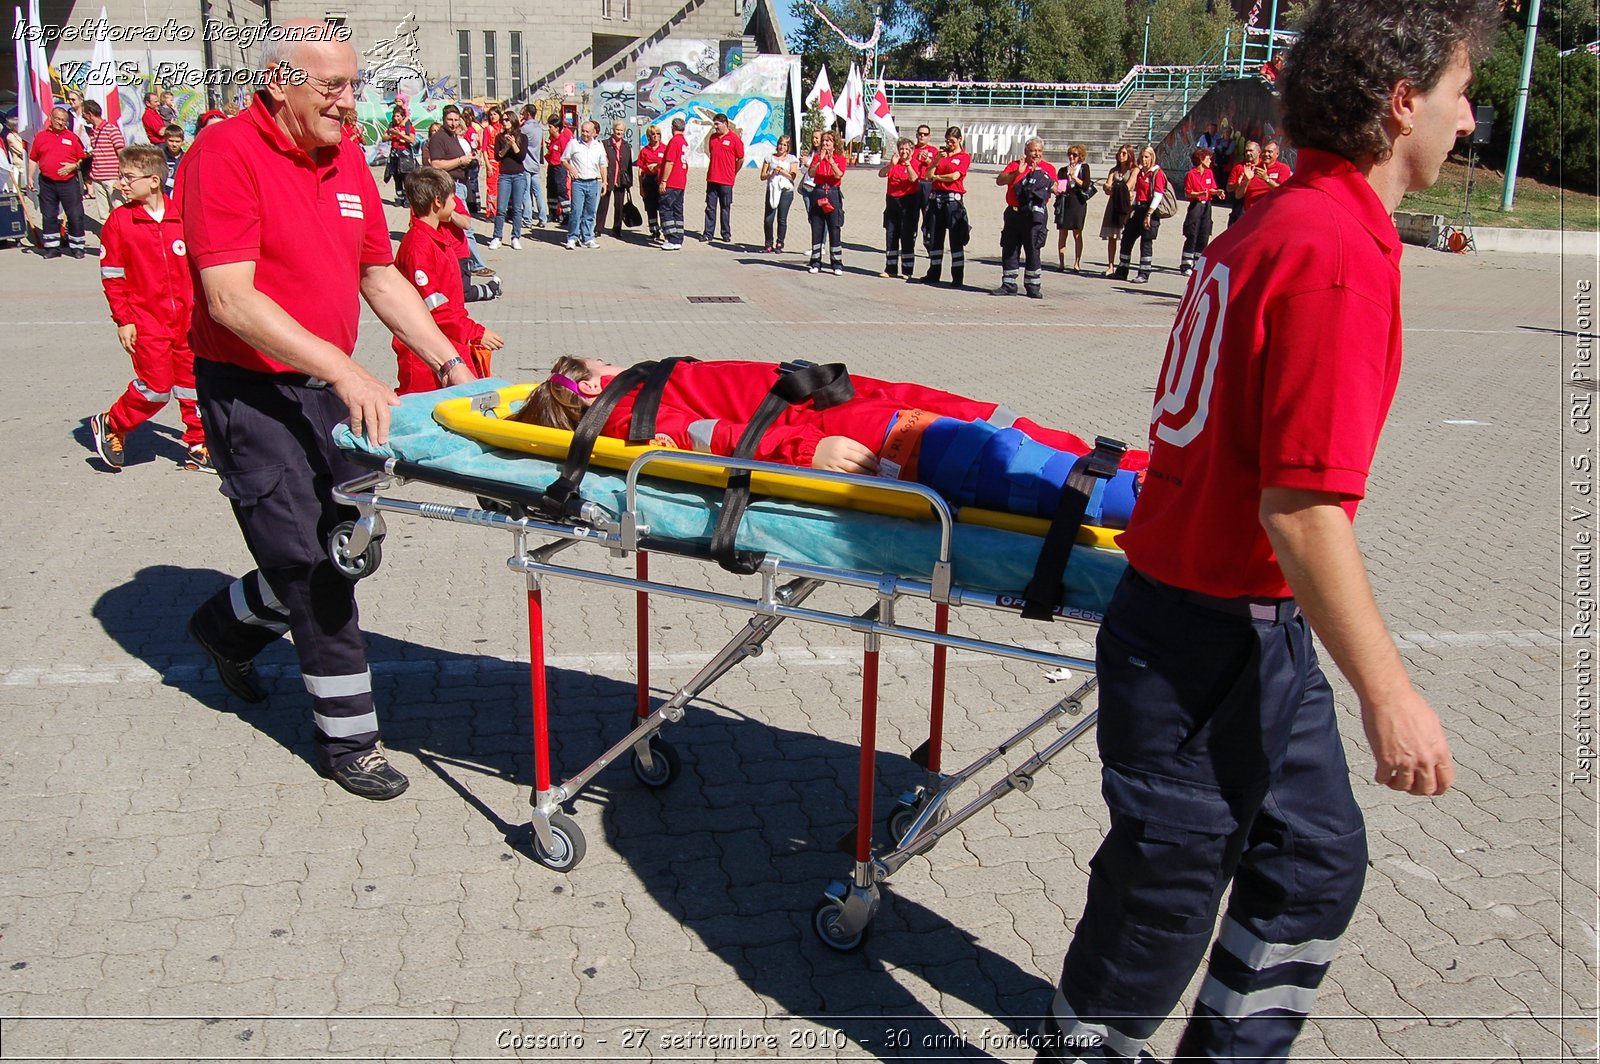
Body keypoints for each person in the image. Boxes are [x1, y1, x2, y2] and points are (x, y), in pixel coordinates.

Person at [1032, 1, 1491, 1059]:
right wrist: (1390, 693)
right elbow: (1301, 507)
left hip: (1244, 628)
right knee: (1160, 900)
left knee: (1312, 862)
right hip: (1198, 637)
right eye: (1460, 94)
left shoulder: (1288, 218)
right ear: (1400, 101)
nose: (1468, 120)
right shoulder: (1330, 248)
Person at [180, 20, 478, 801]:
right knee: (317, 571)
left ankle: (222, 627)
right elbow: (229, 298)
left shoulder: (346, 155)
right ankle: (350, 743)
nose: (352, 104)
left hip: (327, 387)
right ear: (278, 81)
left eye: (355, 84)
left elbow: (379, 275)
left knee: (338, 550)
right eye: (332, 87)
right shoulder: (223, 155)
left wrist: (448, 359)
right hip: (252, 393)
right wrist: (346, 369)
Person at [510, 357, 1147, 528]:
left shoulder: (644, 385)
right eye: (598, 363)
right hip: (844, 432)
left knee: (1008, 434)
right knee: (1017, 466)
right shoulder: (622, 409)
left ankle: (1152, 473)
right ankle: (1160, 497)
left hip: (845, 403)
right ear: (587, 388)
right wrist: (802, 456)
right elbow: (709, 439)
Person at [88, 144, 208, 473]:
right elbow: (112, 276)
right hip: (146, 321)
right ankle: (113, 423)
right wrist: (124, 320)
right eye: (121, 177)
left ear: (154, 181)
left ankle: (198, 443)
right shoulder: (119, 222)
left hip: (186, 320)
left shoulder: (181, 216)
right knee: (156, 388)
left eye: (128, 177)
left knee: (191, 383)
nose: (121, 183)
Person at [393, 166, 504, 394]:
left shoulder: (437, 238)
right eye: (452, 197)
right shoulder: (419, 247)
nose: (456, 203)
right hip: (425, 353)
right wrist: (475, 332)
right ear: (437, 202)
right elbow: (433, 307)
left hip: (448, 341)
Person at [424, 108, 496, 282]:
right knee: (466, 226)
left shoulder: (453, 137)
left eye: (456, 120)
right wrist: (460, 161)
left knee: (456, 228)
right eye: (450, 120)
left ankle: (458, 262)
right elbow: (436, 164)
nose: (454, 123)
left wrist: (469, 161)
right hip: (450, 187)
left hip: (460, 184)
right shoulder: (439, 138)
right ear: (443, 119)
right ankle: (477, 264)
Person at [995, 137, 1056, 298]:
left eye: (1039, 151)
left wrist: (1043, 177)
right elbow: (1000, 181)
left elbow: (1057, 189)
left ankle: (1033, 286)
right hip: (1014, 213)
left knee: (1033, 249)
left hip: (1035, 215)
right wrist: (1018, 173)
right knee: (1010, 248)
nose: (1036, 154)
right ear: (1025, 152)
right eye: (1033, 150)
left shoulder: (1048, 168)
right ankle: (1008, 284)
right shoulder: (1016, 165)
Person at [26, 106, 88, 259]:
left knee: (75, 215)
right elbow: (33, 158)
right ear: (50, 118)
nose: (60, 123)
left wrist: (73, 166)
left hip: (68, 183)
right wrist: (29, 177)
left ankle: (77, 246)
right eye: (58, 119)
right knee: (49, 215)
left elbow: (84, 159)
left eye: (64, 121)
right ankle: (52, 248)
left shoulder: (72, 138)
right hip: (47, 182)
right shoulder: (40, 137)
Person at [921, 125, 971, 287]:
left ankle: (957, 277)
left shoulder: (963, 157)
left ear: (959, 140)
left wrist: (937, 177)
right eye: (947, 141)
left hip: (952, 201)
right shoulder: (940, 156)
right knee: (935, 238)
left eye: (952, 141)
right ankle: (933, 272)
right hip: (936, 199)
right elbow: (928, 175)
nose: (949, 144)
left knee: (956, 239)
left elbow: (954, 176)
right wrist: (936, 161)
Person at [1111, 144, 1168, 285]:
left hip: (1150, 211)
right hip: (1139, 209)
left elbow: (1158, 195)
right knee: (1127, 238)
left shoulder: (1157, 173)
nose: (1143, 159)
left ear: (1152, 158)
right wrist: (1129, 212)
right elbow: (1138, 195)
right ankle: (1122, 270)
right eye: (1142, 156)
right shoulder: (1141, 173)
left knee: (1146, 242)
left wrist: (1149, 214)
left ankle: (1144, 273)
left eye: (1146, 157)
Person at [803, 129, 848, 275]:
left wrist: (831, 162)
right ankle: (815, 262)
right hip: (819, 192)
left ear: (834, 144)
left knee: (834, 228)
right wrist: (819, 161)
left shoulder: (840, 158)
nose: (825, 143)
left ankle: (837, 263)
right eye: (824, 141)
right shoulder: (817, 157)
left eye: (828, 141)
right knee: (817, 228)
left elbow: (839, 174)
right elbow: (811, 173)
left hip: (833, 193)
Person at [878, 137, 920, 279]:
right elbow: (881, 174)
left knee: (907, 237)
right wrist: (891, 164)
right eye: (901, 149)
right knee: (891, 235)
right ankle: (890, 268)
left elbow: (914, 178)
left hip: (908, 203)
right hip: (892, 203)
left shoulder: (915, 162)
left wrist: (908, 164)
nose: (904, 152)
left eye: (907, 149)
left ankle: (907, 270)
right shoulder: (894, 162)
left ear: (912, 151)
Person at [82, 99, 127, 228]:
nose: (84, 118)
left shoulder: (111, 129)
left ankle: (124, 238)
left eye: (84, 115)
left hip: (112, 177)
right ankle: (108, 239)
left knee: (119, 210)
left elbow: (122, 153)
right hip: (97, 178)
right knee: (103, 214)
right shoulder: (93, 132)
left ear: (90, 114)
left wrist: (121, 177)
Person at [1180, 146, 1224, 275]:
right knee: (1192, 232)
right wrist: (1199, 193)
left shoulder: (1209, 173)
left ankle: (1198, 262)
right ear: (1201, 159)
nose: (1210, 161)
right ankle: (1186, 263)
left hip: (1207, 206)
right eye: (1208, 158)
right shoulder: (1191, 174)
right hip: (1196, 205)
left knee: (1204, 232)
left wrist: (1217, 192)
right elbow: (1188, 193)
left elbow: (1211, 189)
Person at [562, 119, 606, 250]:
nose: (585, 134)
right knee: (576, 210)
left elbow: (603, 165)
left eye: (588, 132)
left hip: (594, 181)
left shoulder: (598, 146)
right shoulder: (573, 144)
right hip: (578, 182)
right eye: (583, 131)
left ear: (593, 132)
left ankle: (587, 237)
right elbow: (563, 159)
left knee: (591, 211)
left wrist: (604, 181)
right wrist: (570, 168)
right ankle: (572, 237)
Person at [702, 112, 744, 243]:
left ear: (725, 123)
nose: (715, 127)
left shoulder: (734, 139)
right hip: (712, 178)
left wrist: (733, 172)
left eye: (717, 124)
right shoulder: (713, 138)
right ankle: (708, 233)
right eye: (714, 124)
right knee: (710, 208)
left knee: (725, 207)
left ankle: (726, 233)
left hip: (726, 180)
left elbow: (741, 158)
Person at [488, 118, 528, 249]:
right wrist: (507, 146)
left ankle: (515, 237)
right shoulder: (499, 137)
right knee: (501, 209)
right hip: (504, 175)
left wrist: (514, 144)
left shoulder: (522, 137)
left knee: (517, 209)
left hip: (519, 175)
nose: (504, 122)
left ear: (513, 121)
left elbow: (521, 156)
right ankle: (497, 237)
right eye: (503, 120)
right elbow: (497, 156)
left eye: (507, 119)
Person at [1053, 143, 1091, 272]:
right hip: (1065, 201)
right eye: (1070, 154)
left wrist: (1074, 177)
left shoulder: (1084, 168)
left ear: (1080, 156)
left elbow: (1086, 185)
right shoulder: (1063, 170)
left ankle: (1077, 262)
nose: (1071, 157)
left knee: (1077, 233)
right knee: (1062, 232)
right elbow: (1059, 187)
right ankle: (1061, 263)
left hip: (1078, 203)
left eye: (1074, 155)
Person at [1098, 144, 1135, 277]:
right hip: (1113, 204)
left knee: (1125, 237)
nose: (1121, 155)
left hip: (1126, 205)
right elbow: (1107, 188)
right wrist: (1108, 187)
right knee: (1112, 237)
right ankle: (1110, 266)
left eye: (1124, 153)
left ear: (1130, 155)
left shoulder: (1133, 170)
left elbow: (1127, 187)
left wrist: (1112, 187)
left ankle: (1123, 264)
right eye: (1120, 153)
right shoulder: (1114, 170)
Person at [597, 119, 635, 241]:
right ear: (613, 130)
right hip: (608, 178)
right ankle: (598, 228)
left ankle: (617, 229)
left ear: (624, 132)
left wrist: (629, 182)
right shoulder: (604, 144)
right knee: (603, 205)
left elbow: (629, 165)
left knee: (619, 206)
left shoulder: (626, 146)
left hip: (621, 180)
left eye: (621, 130)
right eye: (617, 130)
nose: (619, 132)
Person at [760, 133, 797, 253]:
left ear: (788, 147)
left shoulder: (792, 159)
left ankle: (780, 242)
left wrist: (781, 171)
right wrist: (771, 173)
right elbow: (762, 176)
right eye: (780, 144)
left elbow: (793, 176)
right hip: (772, 189)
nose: (782, 147)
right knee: (768, 219)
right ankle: (768, 242)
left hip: (786, 191)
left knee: (782, 219)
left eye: (785, 145)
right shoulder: (769, 158)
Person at [658, 116, 689, 251]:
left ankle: (671, 238)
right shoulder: (684, 142)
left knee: (666, 209)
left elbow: (670, 162)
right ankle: (679, 237)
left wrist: (664, 180)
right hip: (681, 181)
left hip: (672, 181)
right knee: (678, 210)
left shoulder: (674, 141)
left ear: (672, 128)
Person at [517, 104, 548, 230]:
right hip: (535, 163)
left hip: (525, 163)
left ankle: (527, 219)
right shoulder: (539, 128)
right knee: (538, 193)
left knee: (526, 193)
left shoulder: (525, 128)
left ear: (528, 113)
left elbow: (517, 139)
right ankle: (543, 218)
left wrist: (519, 124)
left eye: (523, 112)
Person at [909, 124, 939, 250]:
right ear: (916, 135)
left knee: (928, 216)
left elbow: (939, 168)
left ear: (929, 136)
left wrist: (928, 161)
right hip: (914, 185)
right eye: (920, 134)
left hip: (928, 184)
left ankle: (929, 243)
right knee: (911, 215)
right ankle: (909, 243)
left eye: (925, 134)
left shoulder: (934, 151)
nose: (922, 136)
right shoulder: (911, 150)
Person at [636, 123, 667, 243]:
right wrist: (641, 188)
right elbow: (640, 170)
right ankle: (654, 231)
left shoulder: (665, 149)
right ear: (649, 136)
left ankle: (666, 232)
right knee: (650, 208)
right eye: (653, 134)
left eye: (657, 134)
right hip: (648, 181)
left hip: (660, 181)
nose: (655, 136)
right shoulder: (644, 151)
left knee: (663, 208)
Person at [384, 102, 418, 206]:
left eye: (398, 116)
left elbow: (412, 140)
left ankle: (408, 198)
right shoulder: (391, 126)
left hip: (405, 156)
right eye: (394, 116)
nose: (396, 118)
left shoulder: (408, 127)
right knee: (396, 177)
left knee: (407, 177)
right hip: (394, 154)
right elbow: (383, 137)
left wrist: (399, 134)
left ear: (403, 116)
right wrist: (391, 135)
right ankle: (399, 197)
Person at [1227, 139, 1269, 213]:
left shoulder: (1264, 167)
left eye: (1251, 150)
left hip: (1260, 205)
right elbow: (1229, 188)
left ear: (1259, 152)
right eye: (1246, 151)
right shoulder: (1238, 167)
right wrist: (1237, 184)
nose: (1248, 153)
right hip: (1240, 205)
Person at [546, 115, 573, 225]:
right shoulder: (552, 139)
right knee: (551, 190)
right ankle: (553, 214)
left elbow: (566, 156)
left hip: (559, 168)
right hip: (551, 167)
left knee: (561, 191)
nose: (549, 129)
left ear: (557, 128)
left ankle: (566, 215)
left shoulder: (563, 140)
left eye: (550, 126)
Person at [160, 124, 185, 193]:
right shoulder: (159, 157)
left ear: (182, 142)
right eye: (171, 141)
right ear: (165, 140)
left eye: (177, 141)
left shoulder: (185, 158)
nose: (174, 144)